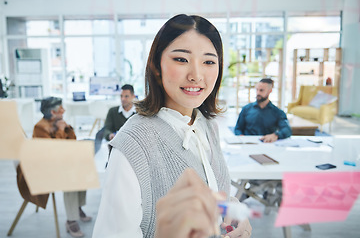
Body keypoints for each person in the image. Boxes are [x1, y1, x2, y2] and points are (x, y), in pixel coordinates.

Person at [92, 14, 251, 238]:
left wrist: (233, 213)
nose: (196, 75)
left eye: (208, 62)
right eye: (181, 59)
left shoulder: (206, 125)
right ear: (157, 66)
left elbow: (213, 192)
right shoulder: (133, 145)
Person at [33, 97, 92, 238]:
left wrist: (66, 128)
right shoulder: (40, 127)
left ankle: (76, 208)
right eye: (61, 109)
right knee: (71, 177)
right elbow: (54, 152)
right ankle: (71, 220)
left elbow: (72, 141)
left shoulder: (57, 122)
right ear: (53, 112)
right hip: (46, 168)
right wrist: (60, 131)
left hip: (61, 163)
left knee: (82, 169)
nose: (64, 110)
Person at [234, 78, 292, 143]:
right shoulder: (246, 109)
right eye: (257, 90)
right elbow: (238, 129)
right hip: (248, 144)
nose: (258, 93)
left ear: (270, 91)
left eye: (261, 90)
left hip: (267, 144)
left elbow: (287, 130)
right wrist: (241, 137)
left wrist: (276, 135)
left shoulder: (278, 112)